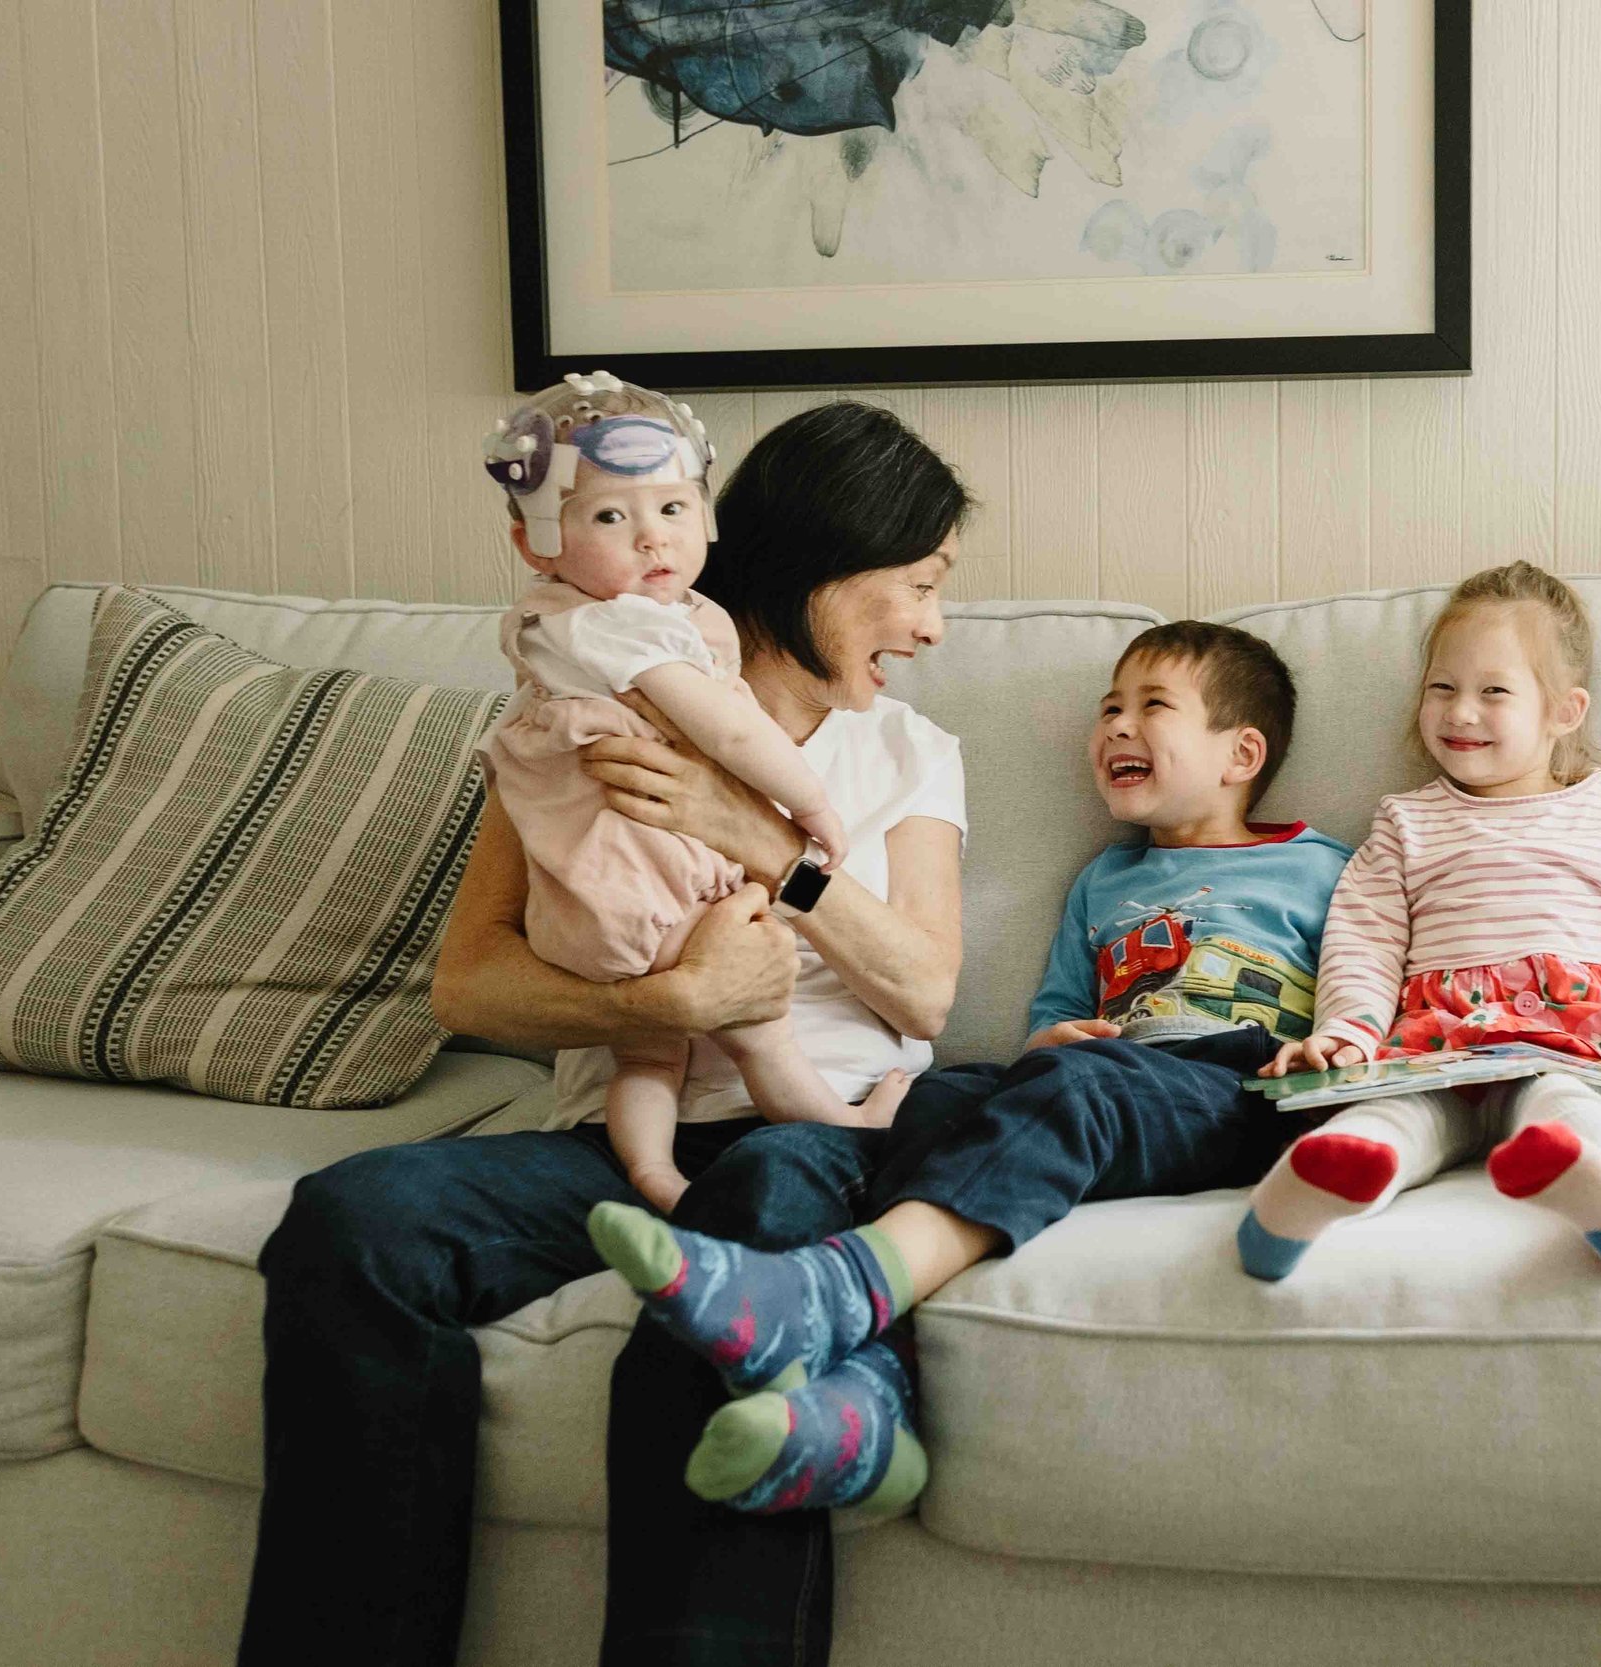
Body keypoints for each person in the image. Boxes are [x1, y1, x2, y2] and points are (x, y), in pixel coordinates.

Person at [236, 400, 969, 1667]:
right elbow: (469, 985)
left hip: (814, 1134)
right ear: (821, 565)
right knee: (352, 1227)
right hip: (609, 1133)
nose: (931, 625)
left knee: (724, 1308)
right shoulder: (587, 698)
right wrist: (665, 1010)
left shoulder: (908, 750)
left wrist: (758, 843)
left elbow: (925, 993)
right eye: (917, 585)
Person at [586, 621, 1350, 1515]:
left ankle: (835, 1293)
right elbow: (1056, 1014)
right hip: (1107, 1079)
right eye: (1109, 707)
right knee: (938, 1095)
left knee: (1080, 1085)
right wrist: (1047, 1045)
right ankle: (866, 1406)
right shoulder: (1103, 880)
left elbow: (1367, 977)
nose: (1115, 727)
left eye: (1152, 707)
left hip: (1241, 1086)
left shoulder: (1320, 866)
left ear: (1241, 752)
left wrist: (1335, 1039)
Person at [1233, 559, 1601, 1286]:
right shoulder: (1407, 821)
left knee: (1574, 1107)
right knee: (1397, 1114)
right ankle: (1306, 1197)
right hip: (1438, 1040)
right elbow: (1364, 940)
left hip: (1573, 1042)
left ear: (1564, 711)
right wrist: (1345, 1031)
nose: (1459, 711)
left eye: (1493, 691)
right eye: (1441, 687)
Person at [478, 371, 901, 1213]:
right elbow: (729, 732)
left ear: (705, 514)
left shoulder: (561, 624)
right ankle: (851, 1131)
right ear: (537, 544)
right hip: (653, 887)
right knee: (762, 1036)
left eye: (671, 510)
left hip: (590, 906)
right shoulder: (620, 624)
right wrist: (809, 810)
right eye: (609, 516)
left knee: (648, 1056)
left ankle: (655, 1177)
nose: (650, 540)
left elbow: (925, 990)